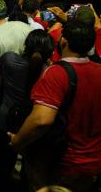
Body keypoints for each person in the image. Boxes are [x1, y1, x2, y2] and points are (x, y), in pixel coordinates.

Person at [10, 21, 101, 191]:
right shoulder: (98, 69)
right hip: (93, 161)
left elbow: (41, 120)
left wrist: (17, 141)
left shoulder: (57, 73)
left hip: (60, 162)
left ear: (64, 41)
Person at [0, 30, 54, 190]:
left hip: (5, 119)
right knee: (30, 167)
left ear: (26, 45)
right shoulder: (50, 73)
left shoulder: (9, 59)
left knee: (2, 163)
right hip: (31, 124)